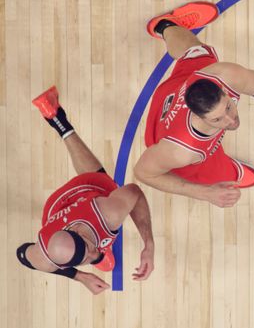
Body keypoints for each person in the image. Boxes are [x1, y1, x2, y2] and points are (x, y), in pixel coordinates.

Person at [134, 1, 254, 208]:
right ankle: (229, 171)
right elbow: (143, 173)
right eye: (218, 119)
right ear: (199, 117)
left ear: (223, 90)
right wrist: (204, 193)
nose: (231, 120)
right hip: (164, 130)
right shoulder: (181, 151)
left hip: (177, 87)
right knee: (213, 175)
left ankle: (164, 26)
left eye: (228, 107)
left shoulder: (223, 75)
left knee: (197, 53)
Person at [16, 87, 155, 294]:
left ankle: (58, 119)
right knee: (101, 259)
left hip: (87, 192)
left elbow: (135, 193)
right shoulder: (45, 256)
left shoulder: (109, 212)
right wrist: (80, 276)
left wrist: (148, 244)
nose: (92, 256)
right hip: (56, 212)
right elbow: (21, 254)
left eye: (90, 250)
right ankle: (52, 112)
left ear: (78, 232)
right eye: (84, 261)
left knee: (100, 176)